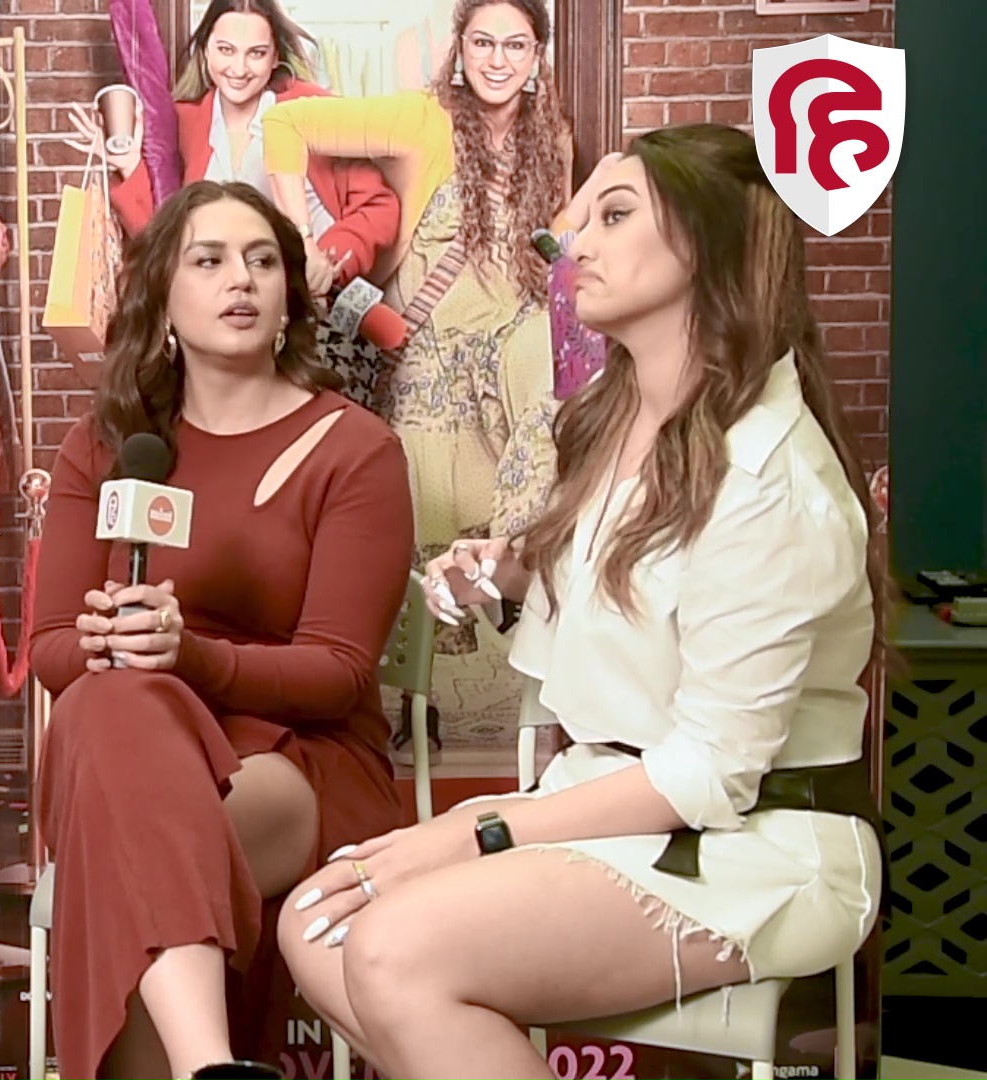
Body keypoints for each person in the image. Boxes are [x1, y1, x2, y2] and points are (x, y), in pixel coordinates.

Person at [276, 124, 887, 1080]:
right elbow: (633, 580)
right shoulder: (615, 419)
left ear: (706, 243)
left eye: (615, 214)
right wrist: (515, 570)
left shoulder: (770, 478)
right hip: (610, 801)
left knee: (392, 949)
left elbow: (708, 775)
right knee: (317, 922)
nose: (573, 239)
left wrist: (472, 831)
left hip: (750, 847)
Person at [30, 180, 415, 1080]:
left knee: (116, 846)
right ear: (163, 296)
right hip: (128, 753)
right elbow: (50, 647)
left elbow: (339, 673)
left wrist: (188, 656)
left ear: (288, 298)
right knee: (110, 705)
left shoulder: (355, 448)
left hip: (295, 759)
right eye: (208, 260)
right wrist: (106, 645)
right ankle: (212, 1067)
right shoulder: (105, 446)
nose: (239, 279)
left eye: (262, 261)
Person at [261, 0, 574, 760]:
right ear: (459, 49)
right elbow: (285, 126)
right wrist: (302, 240)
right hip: (432, 358)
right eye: (483, 42)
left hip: (515, 356)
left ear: (537, 57)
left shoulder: (553, 138)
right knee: (424, 517)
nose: (498, 60)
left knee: (539, 488)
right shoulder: (420, 120)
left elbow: (553, 243)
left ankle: (532, 700)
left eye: (516, 46)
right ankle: (416, 707)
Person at [67, 0, 400, 303]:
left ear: (275, 57)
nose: (239, 69)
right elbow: (159, 244)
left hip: (309, 309)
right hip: (225, 315)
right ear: (206, 50)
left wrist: (329, 260)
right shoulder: (183, 124)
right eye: (226, 50)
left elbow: (379, 207)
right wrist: (129, 166)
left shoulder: (312, 110)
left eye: (256, 53)